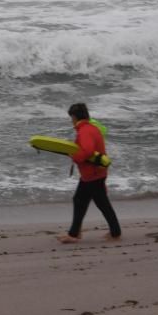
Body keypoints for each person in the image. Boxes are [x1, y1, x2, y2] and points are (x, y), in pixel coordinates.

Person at [57, 102, 122, 244]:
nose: (71, 121)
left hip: (93, 174)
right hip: (94, 173)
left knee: (100, 203)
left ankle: (115, 233)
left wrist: (73, 156)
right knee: (80, 200)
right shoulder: (92, 128)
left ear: (74, 117)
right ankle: (75, 233)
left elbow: (87, 151)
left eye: (71, 117)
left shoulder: (85, 131)